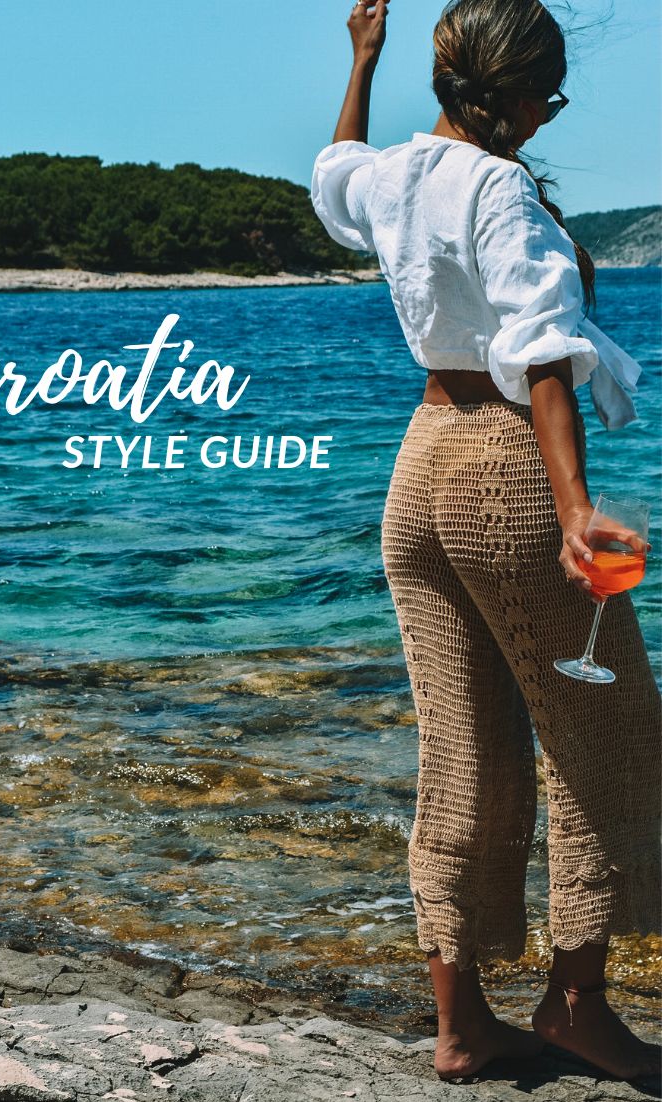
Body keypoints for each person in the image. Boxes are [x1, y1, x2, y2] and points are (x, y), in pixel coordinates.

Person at [310, 0, 661, 1083]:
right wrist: (570, 507)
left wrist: (361, 63)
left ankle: (460, 1027)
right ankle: (575, 1006)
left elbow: (334, 175)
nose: (547, 117)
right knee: (607, 736)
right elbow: (543, 349)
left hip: (420, 468)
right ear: (509, 97)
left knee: (462, 749)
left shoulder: (398, 175)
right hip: (507, 469)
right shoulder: (498, 186)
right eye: (548, 99)